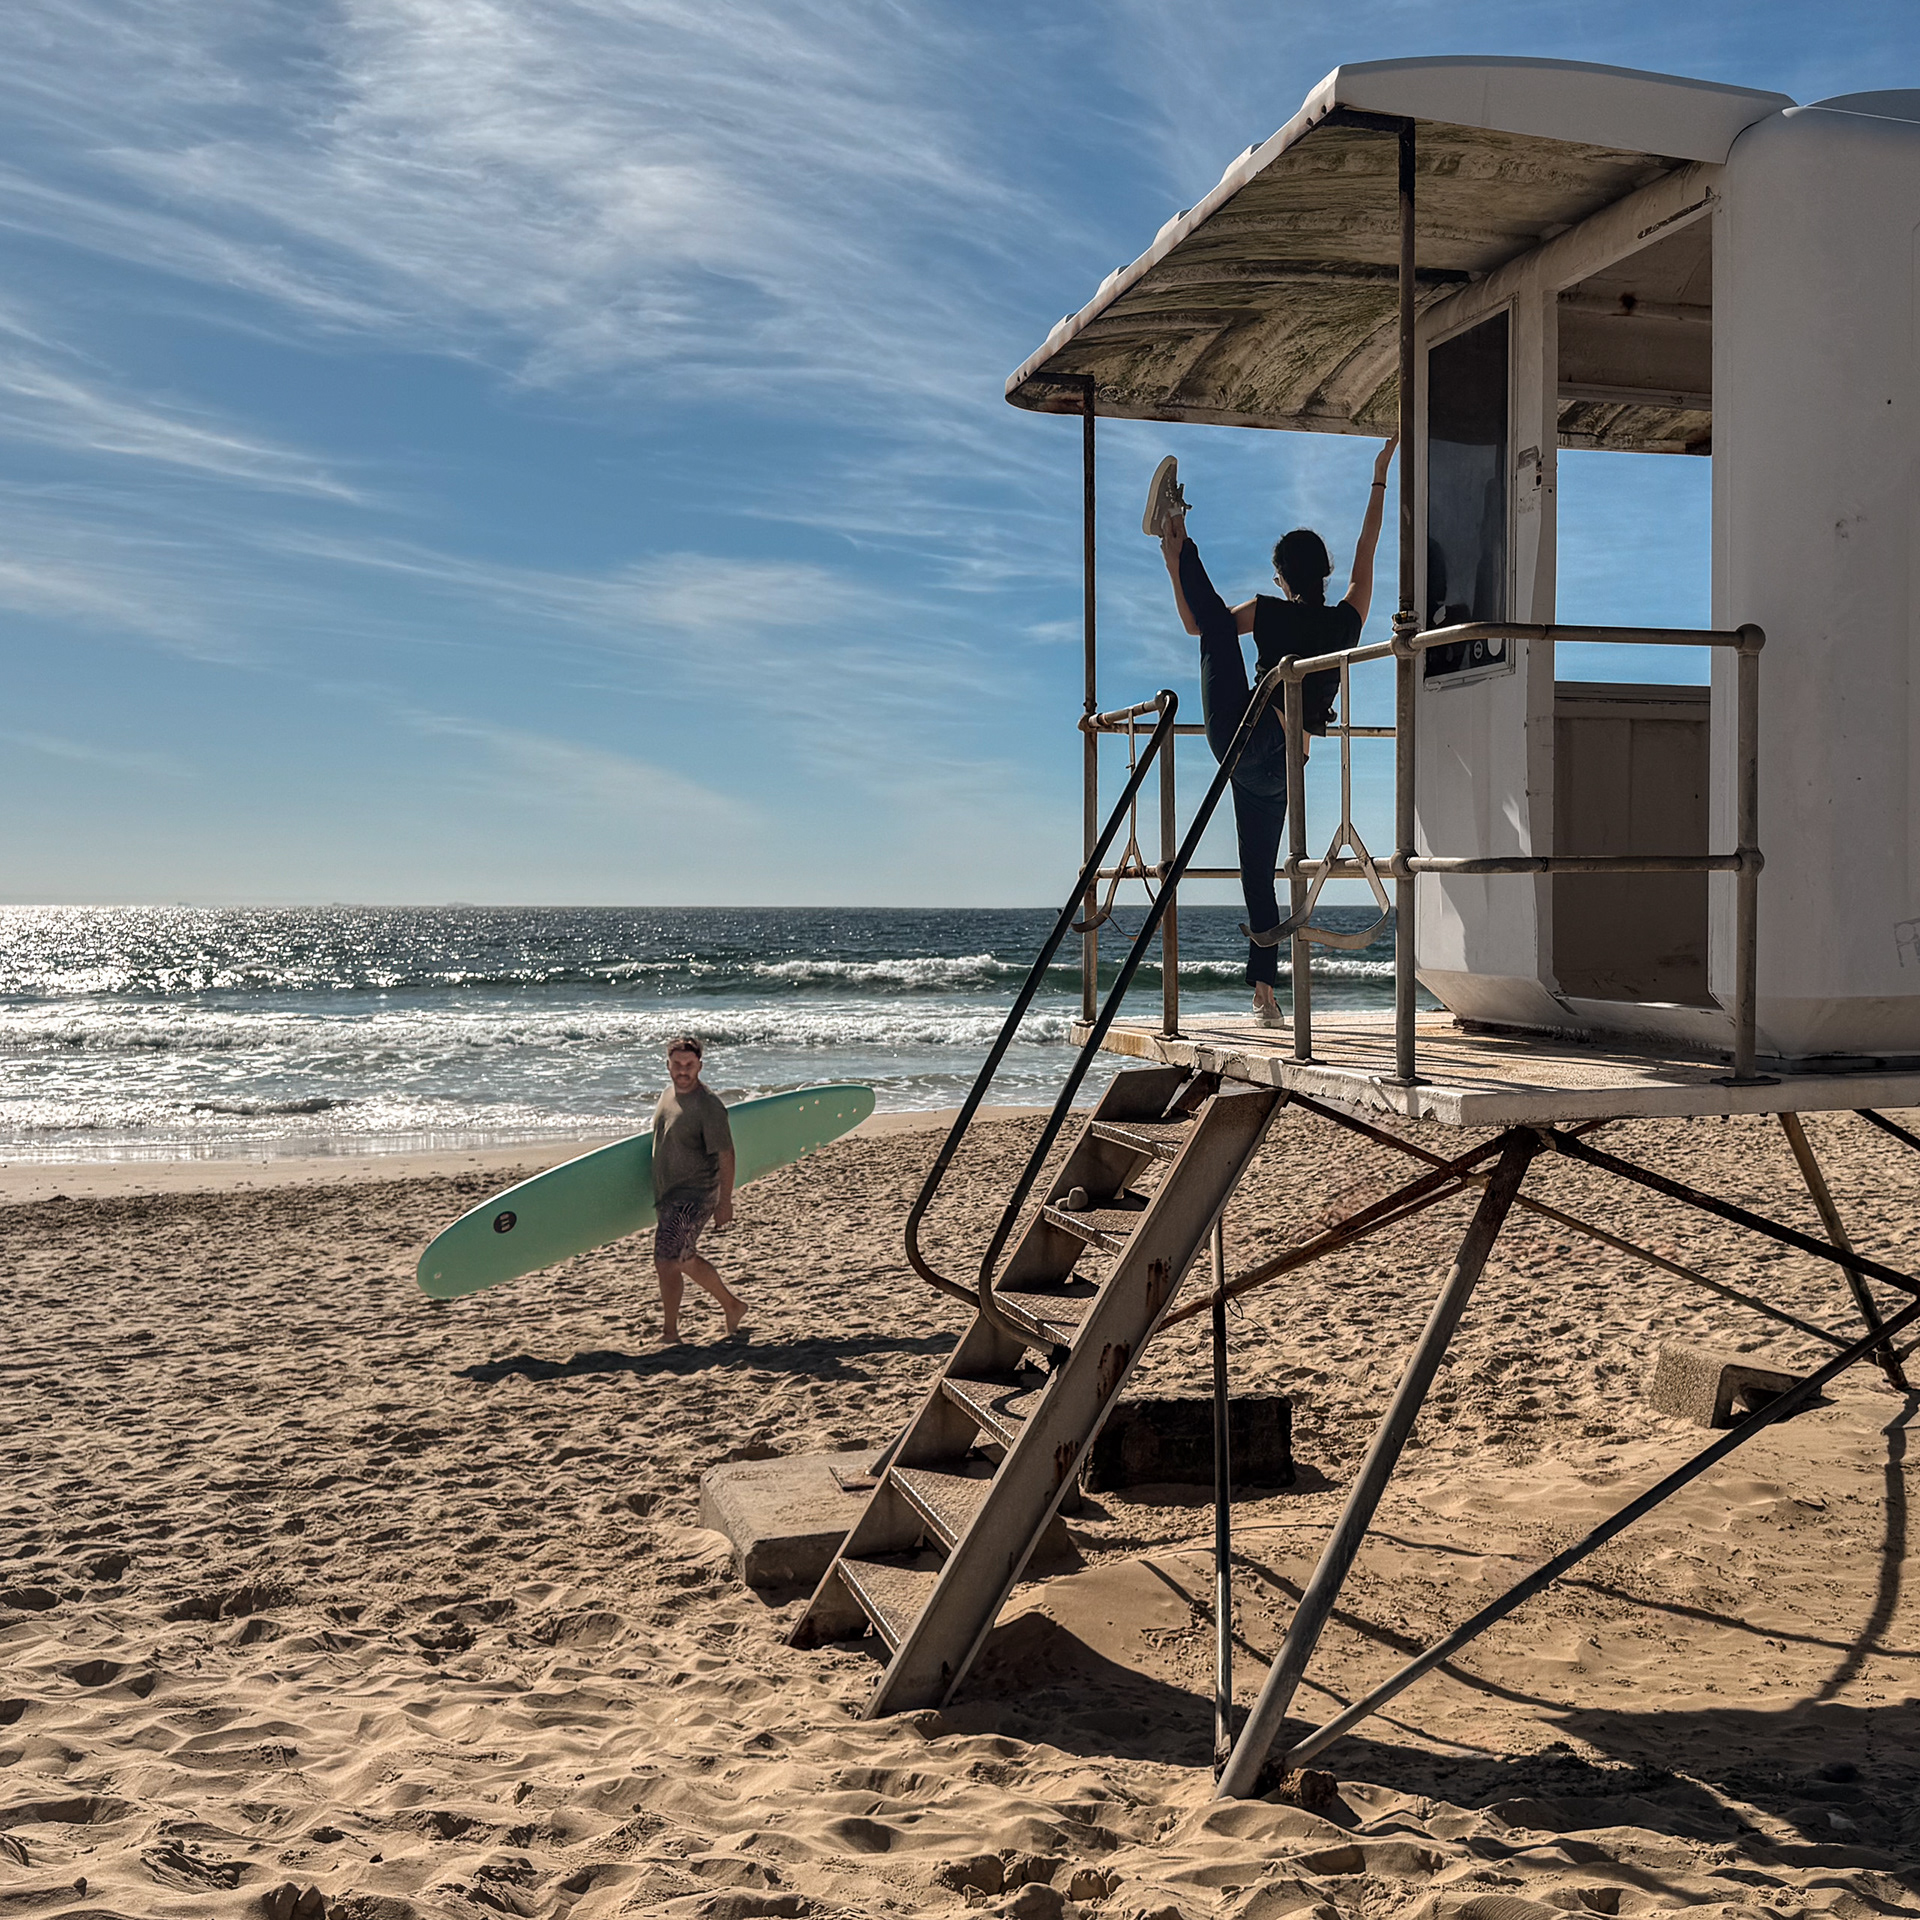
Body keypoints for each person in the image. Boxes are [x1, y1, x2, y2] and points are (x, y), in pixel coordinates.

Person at [1145, 438, 1397, 1026]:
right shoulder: (1348, 620)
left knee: (1215, 630)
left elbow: (1197, 625)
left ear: (1281, 576)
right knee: (1262, 870)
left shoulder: (1266, 611)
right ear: (1325, 574)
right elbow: (1370, 547)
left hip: (1244, 738)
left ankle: (1176, 528)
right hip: (1288, 768)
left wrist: (1173, 562)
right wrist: (1379, 477)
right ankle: (1265, 1000)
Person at [649, 1034, 744, 1344]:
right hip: (669, 1194)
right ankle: (733, 1305)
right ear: (668, 1066)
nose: (683, 1071)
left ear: (700, 1066)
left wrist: (724, 1202)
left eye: (689, 1065)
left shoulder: (709, 1106)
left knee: (667, 1261)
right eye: (677, 1064)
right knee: (683, 1258)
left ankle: (670, 1333)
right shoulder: (668, 1095)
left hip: (695, 1195)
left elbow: (727, 1154)